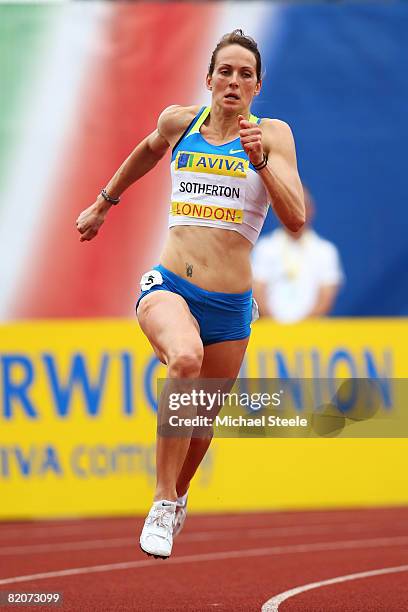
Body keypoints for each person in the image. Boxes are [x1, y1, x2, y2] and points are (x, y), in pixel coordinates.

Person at [76, 29, 305, 559]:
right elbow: (148, 150)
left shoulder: (271, 136)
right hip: (170, 286)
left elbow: (293, 218)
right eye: (225, 71)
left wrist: (262, 163)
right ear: (208, 79)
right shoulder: (182, 122)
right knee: (184, 358)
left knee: (200, 422)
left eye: (245, 74)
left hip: (230, 307)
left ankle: (178, 498)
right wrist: (104, 202)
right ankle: (160, 499)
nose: (233, 81)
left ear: (257, 86)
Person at [252, 186, 344, 322]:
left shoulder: (325, 251)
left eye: (301, 206)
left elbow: (327, 295)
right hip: (270, 333)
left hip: (311, 334)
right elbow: (257, 290)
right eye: (289, 206)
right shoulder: (264, 248)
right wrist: (276, 327)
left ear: (311, 210)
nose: (295, 212)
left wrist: (300, 331)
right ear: (279, 211)